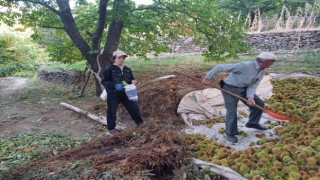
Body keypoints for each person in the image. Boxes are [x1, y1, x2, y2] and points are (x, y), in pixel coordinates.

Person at [202, 52, 277, 143]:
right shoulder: (244, 66)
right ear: (265, 61)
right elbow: (219, 67)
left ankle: (252, 123)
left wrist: (250, 97)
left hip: (243, 89)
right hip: (229, 89)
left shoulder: (261, 71)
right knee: (232, 111)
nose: (272, 64)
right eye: (271, 62)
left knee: (259, 103)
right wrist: (207, 78)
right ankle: (230, 133)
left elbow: (253, 85)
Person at [101, 50, 143, 135]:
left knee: (134, 108)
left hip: (126, 93)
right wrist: (114, 85)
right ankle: (111, 129)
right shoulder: (109, 70)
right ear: (114, 59)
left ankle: (140, 124)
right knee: (112, 110)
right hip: (114, 93)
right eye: (119, 58)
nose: (121, 60)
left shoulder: (127, 69)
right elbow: (104, 81)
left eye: (123, 58)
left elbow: (131, 79)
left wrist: (134, 81)